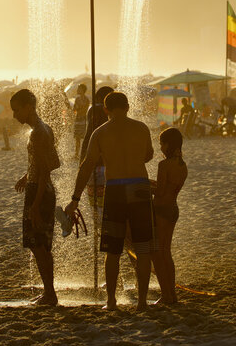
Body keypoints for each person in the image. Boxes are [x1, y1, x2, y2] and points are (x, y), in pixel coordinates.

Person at [65, 91, 154, 311]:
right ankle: (142, 302)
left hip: (115, 188)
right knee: (143, 248)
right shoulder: (142, 128)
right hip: (140, 187)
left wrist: (75, 199)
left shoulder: (100, 132)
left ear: (106, 110)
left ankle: (112, 301)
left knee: (112, 250)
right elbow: (148, 155)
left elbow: (87, 165)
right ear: (128, 107)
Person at [11, 89, 60, 306]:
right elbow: (53, 162)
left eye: (17, 109)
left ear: (29, 107)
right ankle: (49, 293)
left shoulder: (38, 133)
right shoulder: (44, 129)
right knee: (39, 245)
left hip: (40, 192)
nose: (15, 115)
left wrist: (36, 203)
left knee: (39, 245)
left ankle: (50, 294)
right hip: (41, 189)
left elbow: (46, 170)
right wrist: (28, 174)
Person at [151, 127, 188, 305]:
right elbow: (169, 188)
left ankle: (166, 294)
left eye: (161, 144)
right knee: (166, 252)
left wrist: (145, 185)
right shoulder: (182, 165)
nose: (160, 148)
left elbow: (159, 192)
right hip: (173, 208)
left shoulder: (163, 165)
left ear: (168, 144)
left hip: (161, 210)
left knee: (157, 254)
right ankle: (171, 294)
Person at [79, 85, 114, 216]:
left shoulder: (93, 110)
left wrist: (81, 163)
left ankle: (99, 232)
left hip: (94, 166)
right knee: (108, 209)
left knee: (96, 208)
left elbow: (87, 138)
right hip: (109, 166)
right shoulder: (112, 114)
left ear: (98, 98)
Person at [73, 83, 90, 158]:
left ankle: (84, 153)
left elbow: (84, 110)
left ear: (83, 90)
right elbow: (74, 109)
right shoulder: (77, 99)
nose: (77, 90)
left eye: (79, 88)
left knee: (83, 137)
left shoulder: (87, 100)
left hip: (82, 119)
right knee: (77, 138)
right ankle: (76, 153)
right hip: (77, 119)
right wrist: (78, 109)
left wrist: (78, 108)